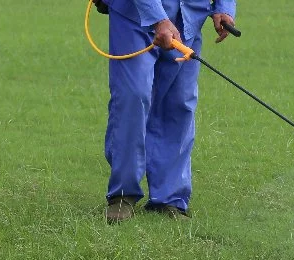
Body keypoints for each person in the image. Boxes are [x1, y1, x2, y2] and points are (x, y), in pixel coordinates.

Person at [96, 0, 237, 223]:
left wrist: (224, 7)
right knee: (133, 96)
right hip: (134, 13)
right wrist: (159, 19)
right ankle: (123, 195)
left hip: (189, 14)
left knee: (179, 102)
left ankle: (169, 199)